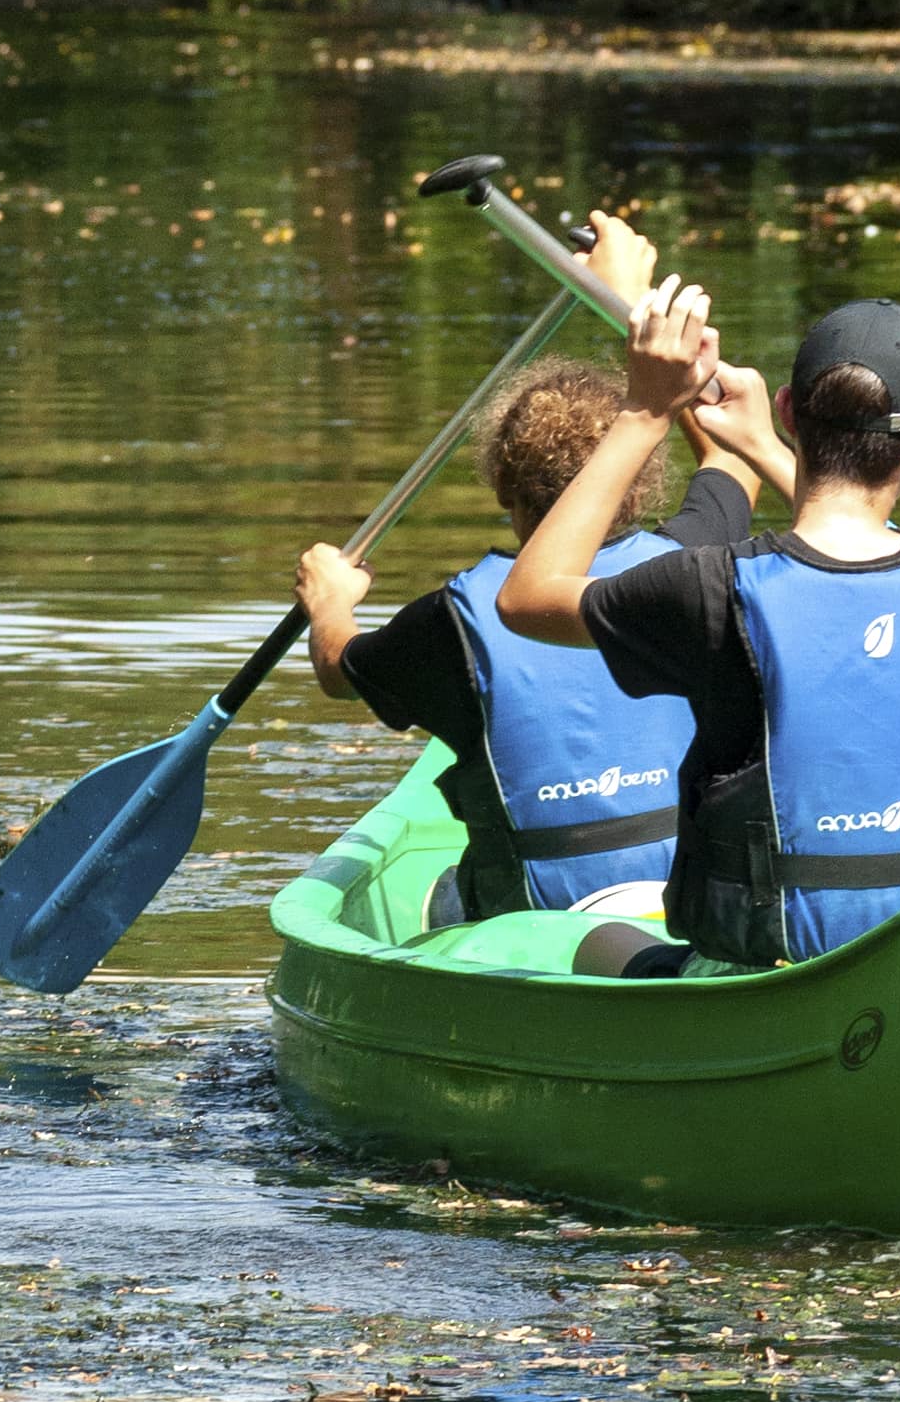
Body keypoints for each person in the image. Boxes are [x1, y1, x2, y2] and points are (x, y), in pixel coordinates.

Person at [498, 278, 900, 981]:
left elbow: (526, 596)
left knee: (596, 941)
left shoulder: (709, 590)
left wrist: (645, 411)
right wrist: (762, 448)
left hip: (761, 972)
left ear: (788, 408)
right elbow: (863, 560)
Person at [295, 237, 798, 941]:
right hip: (692, 900)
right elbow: (730, 453)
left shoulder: (453, 621)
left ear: (500, 482)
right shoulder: (697, 561)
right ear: (642, 474)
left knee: (440, 894)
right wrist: (636, 312)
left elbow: (340, 669)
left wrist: (330, 601)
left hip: (537, 921)